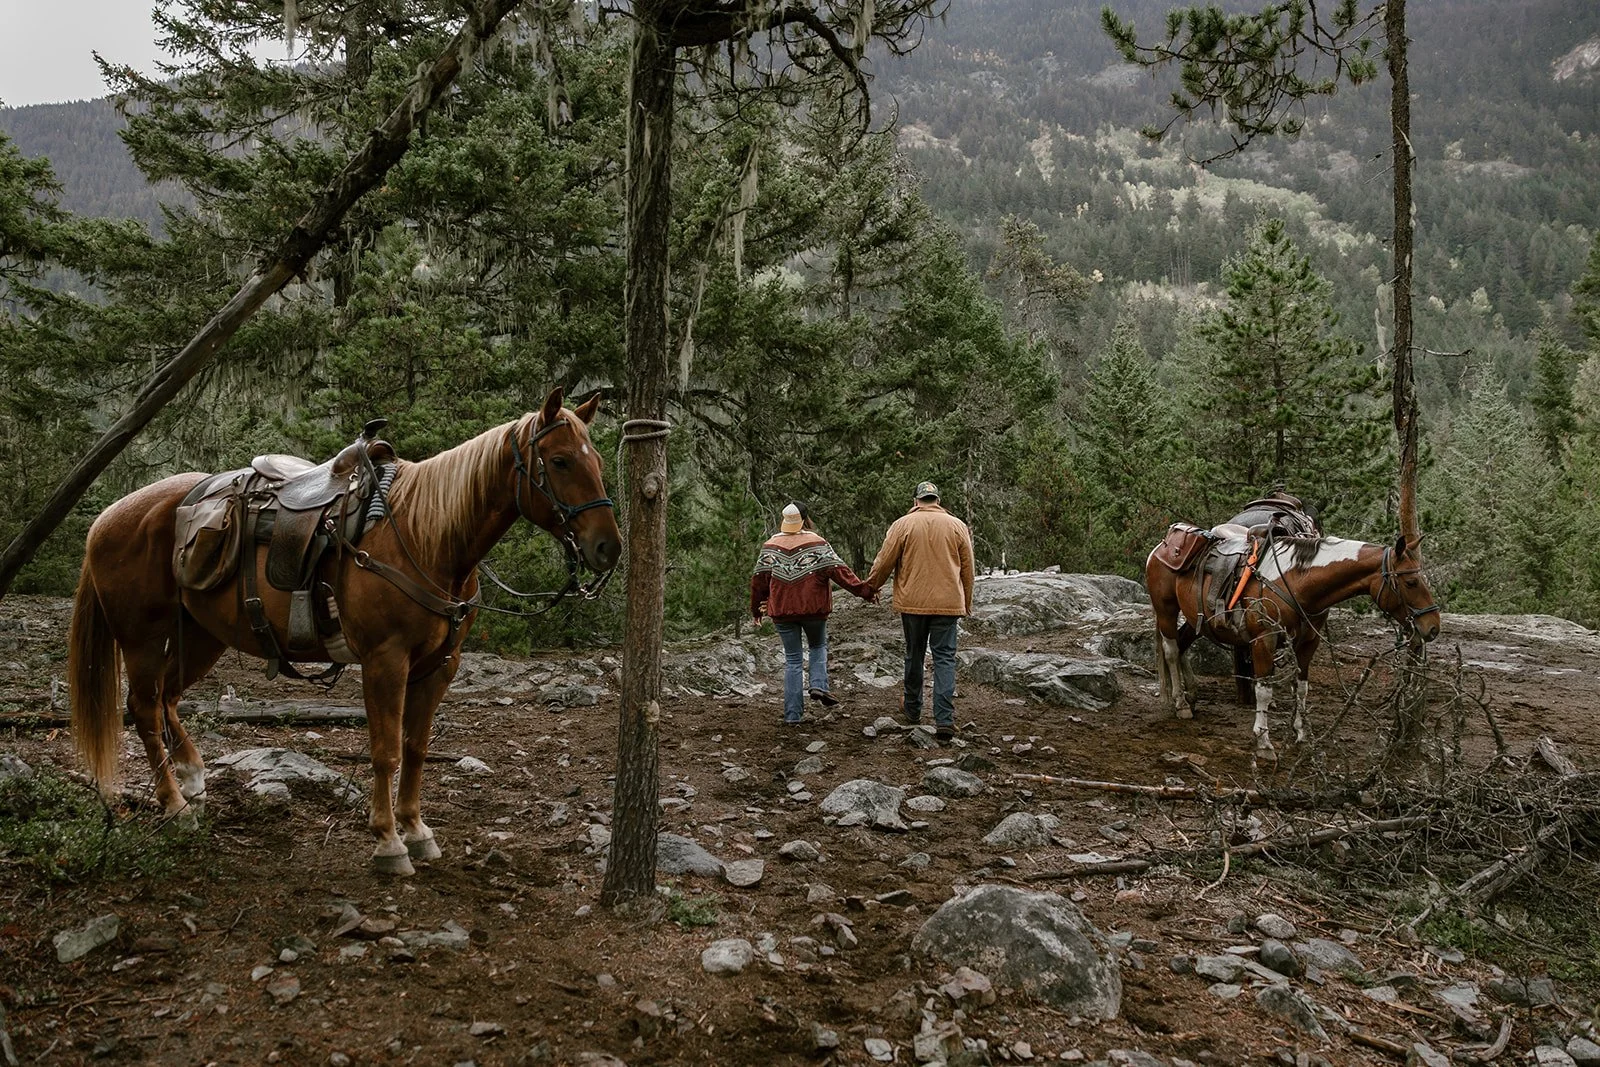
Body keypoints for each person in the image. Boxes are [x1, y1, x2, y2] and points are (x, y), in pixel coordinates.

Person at [865, 481, 974, 741]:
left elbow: (884, 561)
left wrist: (871, 588)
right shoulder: (957, 525)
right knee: (945, 658)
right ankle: (945, 719)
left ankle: (913, 709)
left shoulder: (902, 525)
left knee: (914, 653)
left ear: (916, 501)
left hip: (913, 602)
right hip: (948, 604)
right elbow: (968, 569)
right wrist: (966, 602)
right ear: (936, 500)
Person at [750, 502, 875, 726]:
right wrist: (865, 591)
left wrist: (756, 610)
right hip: (814, 610)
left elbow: (759, 582)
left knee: (793, 660)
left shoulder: (770, 546)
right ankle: (818, 685)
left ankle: (792, 715)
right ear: (806, 520)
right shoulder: (818, 544)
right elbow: (841, 573)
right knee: (817, 646)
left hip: (782, 611)